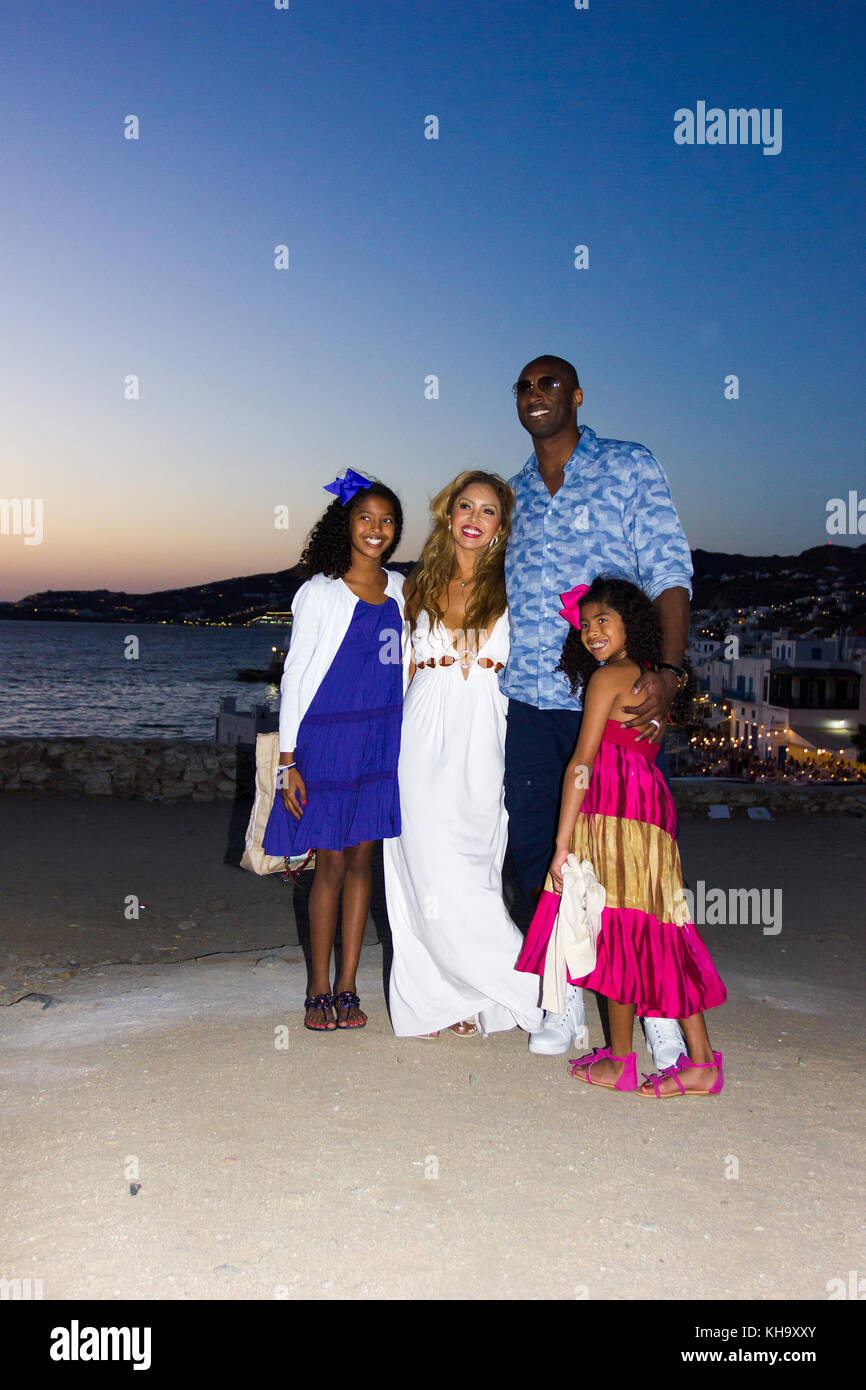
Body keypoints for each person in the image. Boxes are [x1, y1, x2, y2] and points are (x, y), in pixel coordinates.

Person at [502, 354, 691, 1069]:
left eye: (548, 384)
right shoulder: (511, 495)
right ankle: (562, 998)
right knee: (537, 859)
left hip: (614, 704)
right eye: (523, 387)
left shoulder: (628, 466)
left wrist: (669, 673)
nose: (535, 395)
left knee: (630, 862)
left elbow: (670, 568)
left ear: (576, 396)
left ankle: (656, 1012)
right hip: (530, 701)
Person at [516, 577, 726, 1096]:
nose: (591, 632)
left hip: (610, 809)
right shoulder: (652, 680)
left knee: (611, 927)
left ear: (632, 622)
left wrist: (562, 844)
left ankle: (621, 1060)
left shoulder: (608, 678)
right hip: (650, 810)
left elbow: (581, 765)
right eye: (585, 624)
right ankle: (698, 1061)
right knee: (659, 926)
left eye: (602, 620)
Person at [383, 472, 543, 1039]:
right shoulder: (414, 589)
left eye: (490, 511)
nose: (475, 517)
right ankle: (440, 1000)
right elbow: (396, 672)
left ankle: (535, 993)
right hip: (420, 735)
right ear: (449, 514)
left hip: (486, 736)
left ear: (502, 527)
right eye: (466, 506)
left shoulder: (517, 588)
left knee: (471, 872)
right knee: (421, 869)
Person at [263, 470, 407, 1031]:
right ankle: (317, 987)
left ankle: (350, 985)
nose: (376, 529)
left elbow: (409, 662)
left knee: (363, 863)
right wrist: (288, 760)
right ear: (346, 524)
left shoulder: (400, 589)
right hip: (326, 741)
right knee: (330, 865)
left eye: (387, 520)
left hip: (380, 740)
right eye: (365, 518)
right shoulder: (319, 590)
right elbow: (296, 675)